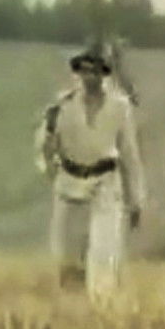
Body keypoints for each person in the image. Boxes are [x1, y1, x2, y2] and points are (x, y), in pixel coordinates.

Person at [35, 41, 146, 298]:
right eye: (84, 71)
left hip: (105, 184)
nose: (89, 77)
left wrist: (136, 199)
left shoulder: (120, 107)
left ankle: (103, 313)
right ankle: (74, 316)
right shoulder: (62, 106)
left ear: (103, 74)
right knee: (69, 260)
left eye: (95, 71)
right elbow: (44, 147)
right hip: (70, 184)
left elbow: (129, 154)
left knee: (103, 256)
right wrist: (50, 170)